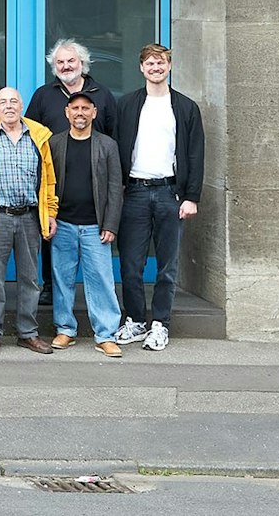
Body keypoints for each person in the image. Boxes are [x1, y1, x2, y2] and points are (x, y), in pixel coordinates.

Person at [111, 43, 207, 353]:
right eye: (150, 63)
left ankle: (160, 324)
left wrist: (191, 196)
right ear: (141, 68)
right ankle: (136, 319)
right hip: (134, 192)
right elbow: (115, 150)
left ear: (169, 67)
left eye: (161, 63)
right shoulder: (126, 105)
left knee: (167, 265)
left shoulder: (185, 107)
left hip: (170, 193)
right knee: (130, 263)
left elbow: (195, 153)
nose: (155, 68)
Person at [0, 87, 57, 355]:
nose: (9, 106)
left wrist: (50, 212)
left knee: (30, 278)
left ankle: (27, 333)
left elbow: (49, 179)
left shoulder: (38, 136)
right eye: (3, 102)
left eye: (14, 101)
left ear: (21, 106)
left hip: (30, 216)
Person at [48, 90, 125, 357]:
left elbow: (116, 187)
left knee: (102, 280)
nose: (80, 113)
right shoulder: (55, 143)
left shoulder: (107, 145)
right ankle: (65, 329)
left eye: (85, 108)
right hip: (63, 224)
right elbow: (47, 183)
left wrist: (111, 224)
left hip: (96, 226)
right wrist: (48, 216)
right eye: (75, 108)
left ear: (94, 113)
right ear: (67, 113)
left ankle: (105, 334)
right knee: (62, 279)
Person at [26, 38, 120, 138]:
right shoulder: (42, 95)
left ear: (82, 62)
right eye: (60, 62)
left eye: (71, 61)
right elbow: (30, 133)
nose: (66, 66)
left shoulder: (102, 94)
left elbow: (114, 134)